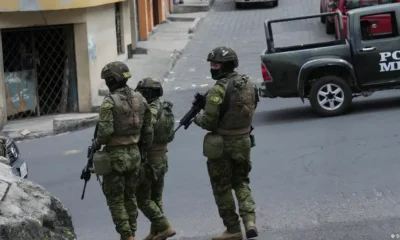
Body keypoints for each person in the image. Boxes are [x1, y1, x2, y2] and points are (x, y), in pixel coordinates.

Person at [193, 46, 259, 240]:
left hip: (223, 144)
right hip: (244, 140)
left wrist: (197, 117)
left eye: (215, 64)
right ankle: (249, 221)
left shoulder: (218, 90)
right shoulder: (248, 84)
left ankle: (233, 229)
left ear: (224, 66)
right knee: (241, 181)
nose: (213, 68)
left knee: (222, 187)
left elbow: (208, 122)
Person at [94, 61, 153, 240]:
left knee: (116, 200)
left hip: (116, 157)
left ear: (111, 80)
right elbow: (148, 130)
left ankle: (127, 236)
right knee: (130, 197)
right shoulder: (140, 99)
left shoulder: (109, 102)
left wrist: (97, 144)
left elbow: (104, 133)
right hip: (134, 155)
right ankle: (131, 233)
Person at [135, 77, 176, 240]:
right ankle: (156, 232)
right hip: (161, 157)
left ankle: (165, 226)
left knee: (143, 199)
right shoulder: (164, 107)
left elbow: (144, 128)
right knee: (156, 197)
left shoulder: (150, 110)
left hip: (149, 159)